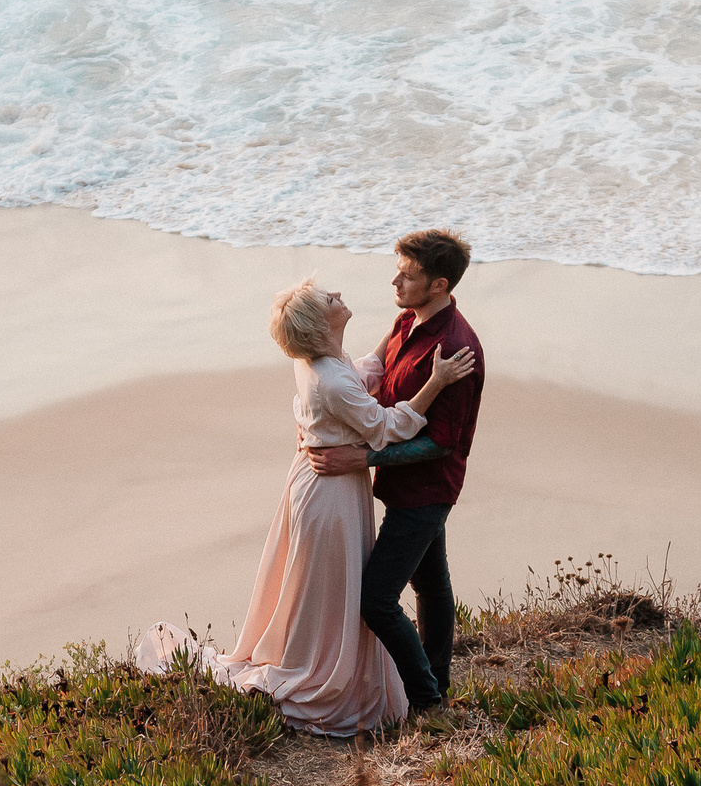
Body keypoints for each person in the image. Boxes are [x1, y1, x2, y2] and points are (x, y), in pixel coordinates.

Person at [135, 277, 477, 736]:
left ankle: (340, 665)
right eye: (329, 299)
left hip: (318, 481)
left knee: (326, 589)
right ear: (320, 323)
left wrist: (402, 326)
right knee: (334, 591)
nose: (338, 294)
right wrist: (435, 382)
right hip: (330, 494)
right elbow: (386, 425)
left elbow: (363, 372)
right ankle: (328, 676)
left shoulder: (320, 362)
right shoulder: (332, 380)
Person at [301, 229, 483, 716]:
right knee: (431, 585)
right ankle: (437, 684)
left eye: (409, 274)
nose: (395, 279)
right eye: (398, 267)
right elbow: (375, 375)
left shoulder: (456, 351)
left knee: (377, 599)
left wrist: (363, 458)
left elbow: (441, 443)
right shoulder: (407, 319)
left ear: (440, 285)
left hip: (426, 492)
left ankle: (426, 699)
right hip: (401, 486)